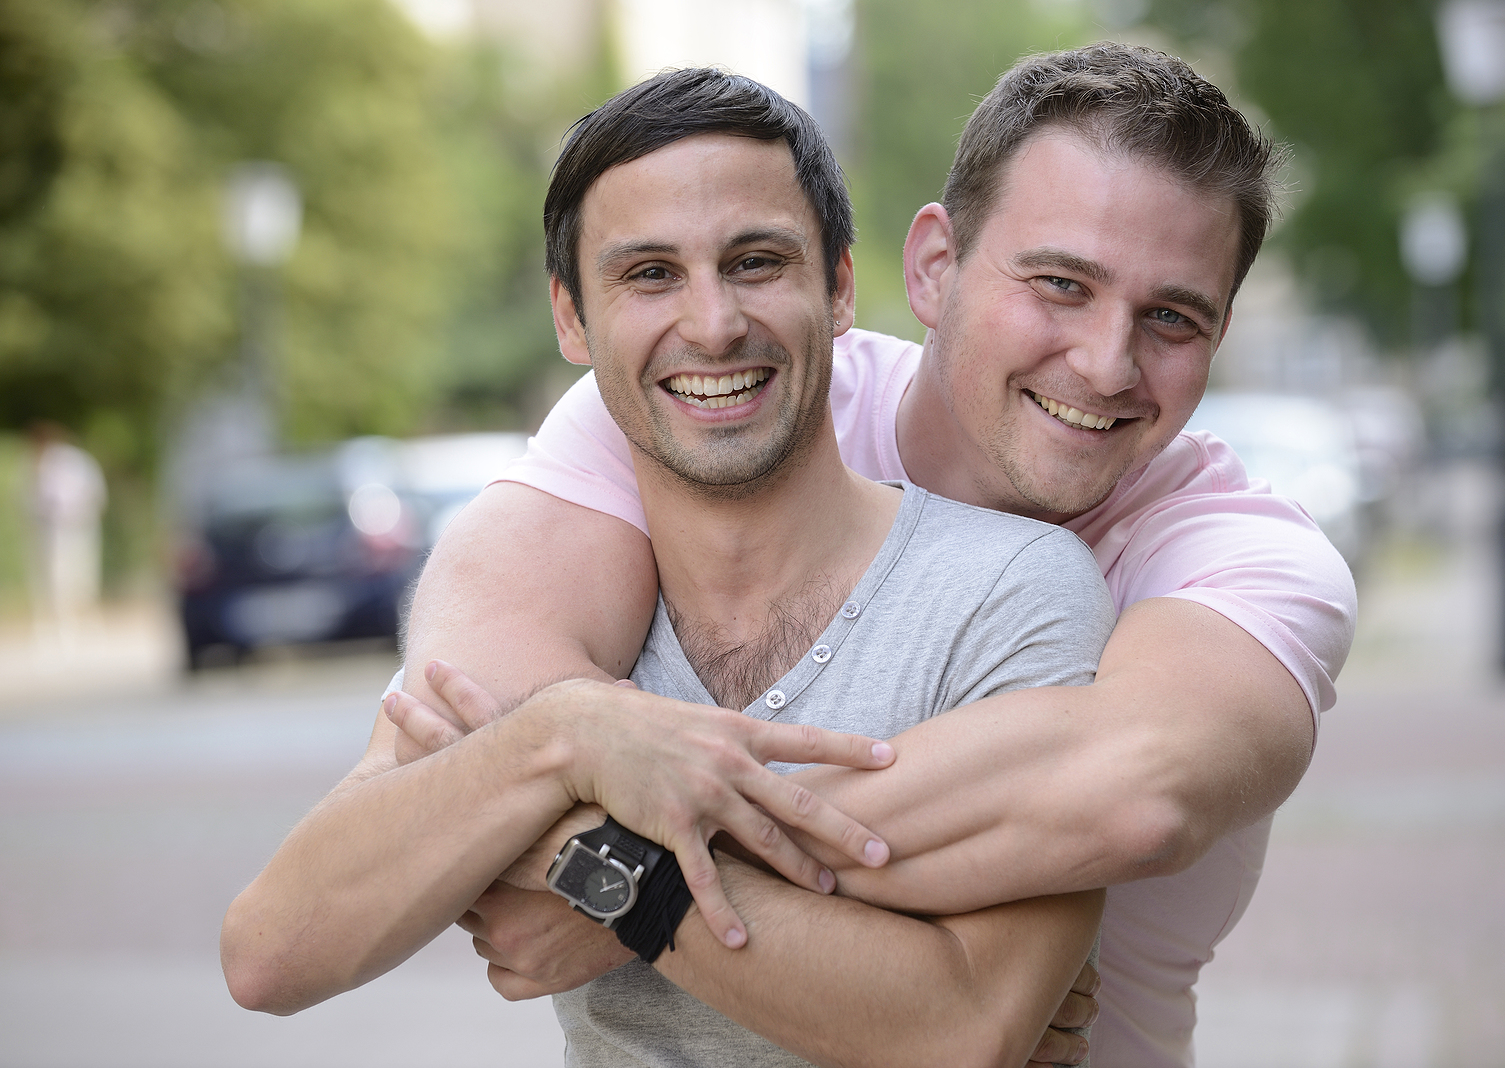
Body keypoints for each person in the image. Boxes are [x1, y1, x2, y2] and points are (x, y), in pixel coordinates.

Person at [394, 44, 1357, 1068]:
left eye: (1171, 317)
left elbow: (1135, 793)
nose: (1107, 362)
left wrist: (623, 880)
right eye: (1060, 284)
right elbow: (463, 707)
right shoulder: (727, 393)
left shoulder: (1249, 557)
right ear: (935, 265)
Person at [223, 67, 1114, 1068]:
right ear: (572, 318)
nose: (713, 322)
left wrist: (593, 867)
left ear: (838, 286)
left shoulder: (1009, 590)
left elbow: (963, 1029)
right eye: (649, 274)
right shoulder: (558, 615)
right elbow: (271, 955)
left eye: (756, 262)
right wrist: (567, 737)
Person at [26, 422, 106, 641]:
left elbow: (94, 492)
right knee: (57, 579)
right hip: (55, 529)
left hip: (79, 525)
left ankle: (87, 623)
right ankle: (63, 626)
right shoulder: (42, 464)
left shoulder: (73, 462)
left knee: (83, 575)